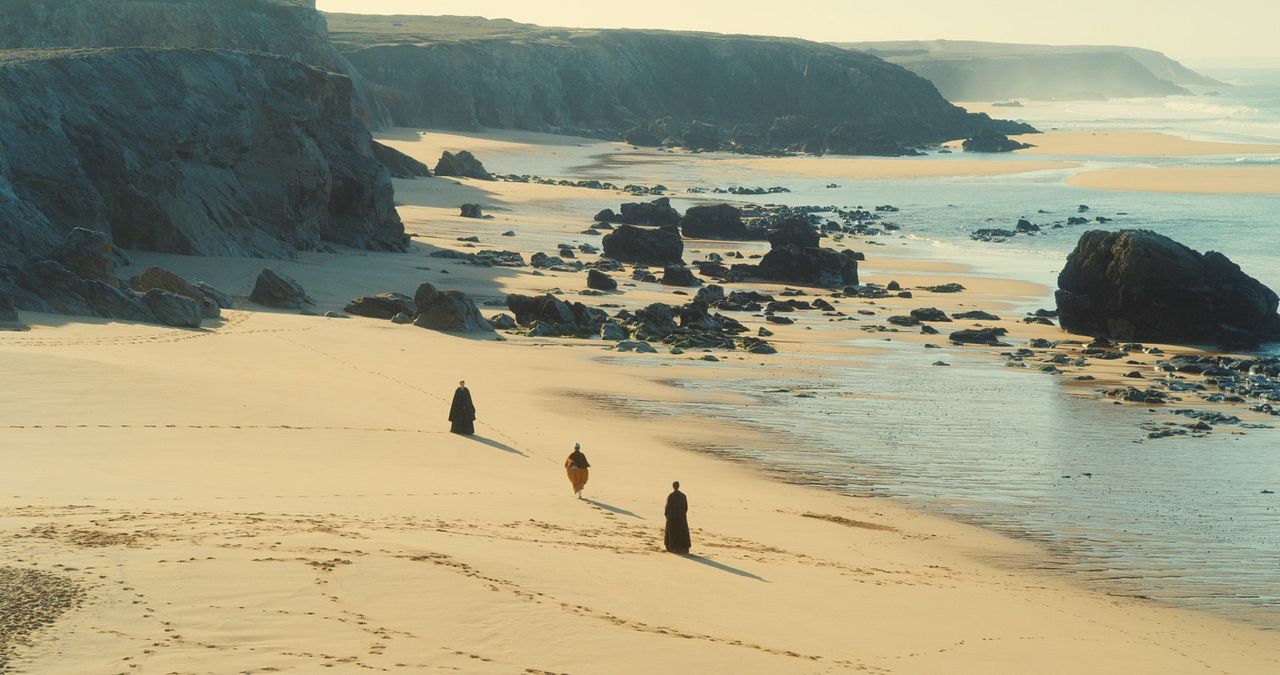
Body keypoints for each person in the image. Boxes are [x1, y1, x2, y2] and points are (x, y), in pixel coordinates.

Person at [664, 481, 690, 554]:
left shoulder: (671, 496)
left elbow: (667, 507)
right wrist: (683, 514)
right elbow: (686, 507)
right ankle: (683, 548)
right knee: (682, 532)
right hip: (681, 516)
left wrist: (667, 515)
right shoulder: (683, 496)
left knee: (672, 532)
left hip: (672, 516)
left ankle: (672, 548)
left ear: (673, 486)